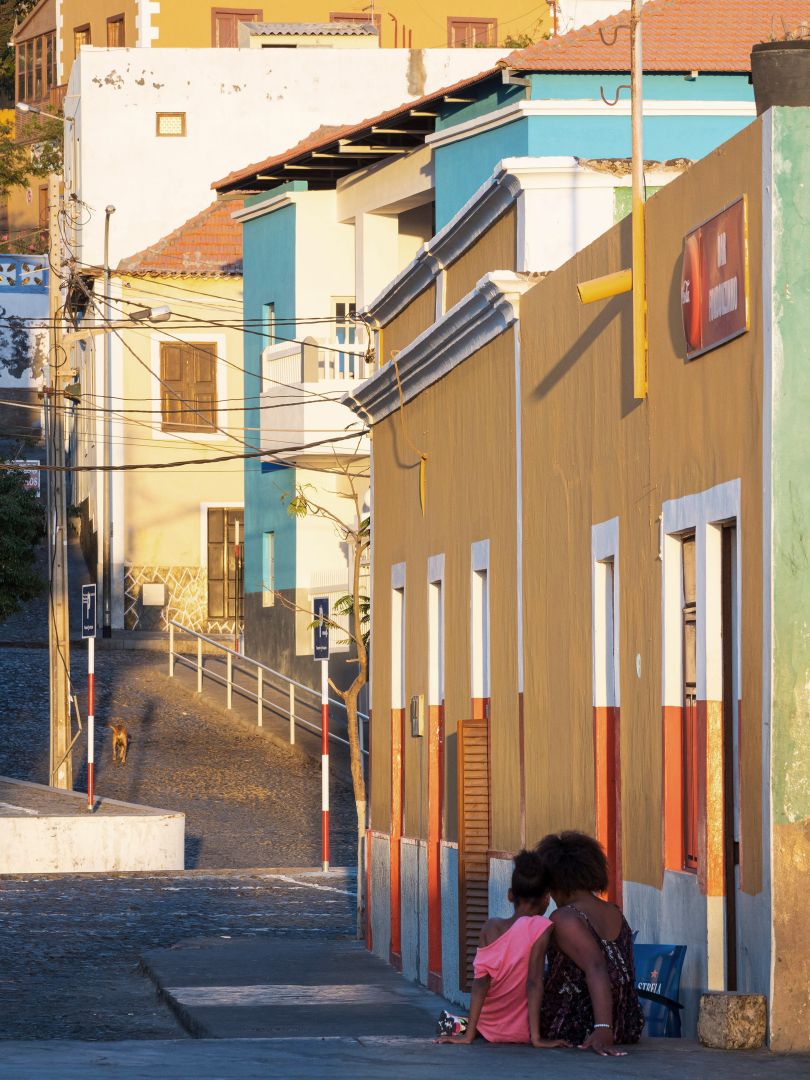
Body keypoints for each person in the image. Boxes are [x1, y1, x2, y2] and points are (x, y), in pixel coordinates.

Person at [436, 849, 568, 1048]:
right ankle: (470, 1027)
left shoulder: (491, 927)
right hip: (521, 1030)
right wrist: (536, 1039)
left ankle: (467, 1028)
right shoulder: (541, 928)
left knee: (454, 1021)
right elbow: (534, 983)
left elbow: (480, 984)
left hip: (486, 1025)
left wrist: (468, 1037)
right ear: (546, 899)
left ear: (510, 895)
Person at [536, 830, 644, 1057]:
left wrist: (603, 1029)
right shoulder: (613, 911)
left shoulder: (565, 918)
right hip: (625, 1023)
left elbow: (596, 966)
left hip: (576, 1025)